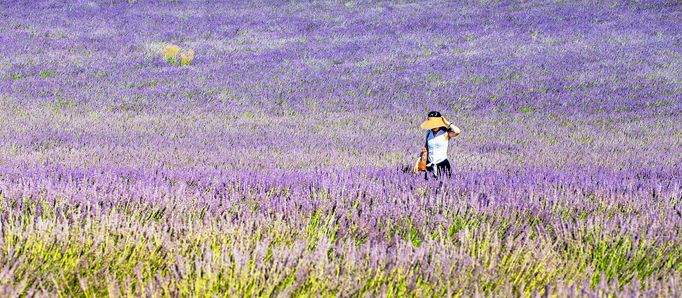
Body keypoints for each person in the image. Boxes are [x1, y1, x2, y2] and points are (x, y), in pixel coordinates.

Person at [418, 111, 461, 180]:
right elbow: (426, 147)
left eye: (436, 123)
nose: (435, 126)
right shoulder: (428, 133)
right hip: (429, 165)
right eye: (433, 123)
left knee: (444, 186)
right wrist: (420, 160)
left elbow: (457, 131)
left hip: (442, 165)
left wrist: (447, 123)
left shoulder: (445, 133)